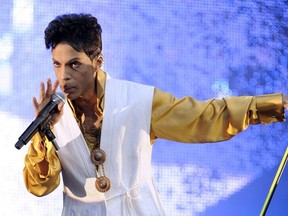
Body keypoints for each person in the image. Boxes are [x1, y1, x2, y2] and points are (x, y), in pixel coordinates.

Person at [22, 13, 288, 216]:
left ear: (98, 61)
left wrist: (274, 105)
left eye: (74, 64)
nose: (64, 75)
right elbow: (39, 186)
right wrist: (44, 134)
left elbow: (205, 117)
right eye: (57, 64)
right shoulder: (52, 115)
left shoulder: (138, 101)